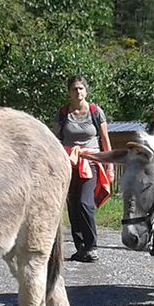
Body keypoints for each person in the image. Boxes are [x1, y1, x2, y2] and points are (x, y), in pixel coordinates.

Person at [54, 75, 114, 263]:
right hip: (68, 163)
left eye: (81, 88)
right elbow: (55, 140)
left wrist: (109, 165)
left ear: (86, 91)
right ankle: (81, 248)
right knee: (72, 205)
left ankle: (92, 246)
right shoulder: (63, 114)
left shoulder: (96, 112)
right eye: (74, 88)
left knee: (84, 202)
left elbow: (105, 140)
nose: (78, 91)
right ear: (69, 92)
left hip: (91, 162)